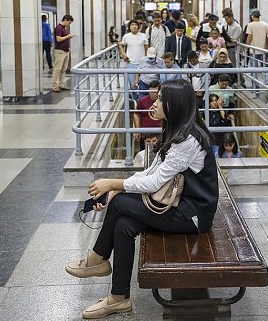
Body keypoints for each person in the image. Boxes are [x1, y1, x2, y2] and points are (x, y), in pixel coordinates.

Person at [67, 79, 218, 320]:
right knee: (124, 225)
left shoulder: (188, 140)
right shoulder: (175, 129)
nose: (154, 103)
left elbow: (154, 183)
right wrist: (120, 186)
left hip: (192, 215)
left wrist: (114, 185)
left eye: (160, 99)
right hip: (176, 205)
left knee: (118, 204)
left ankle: (97, 259)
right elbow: (151, 173)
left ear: (175, 104)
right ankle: (119, 299)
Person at [120, 20, 149, 95]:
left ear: (138, 27)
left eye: (136, 25)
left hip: (142, 64)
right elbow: (121, 45)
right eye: (132, 25)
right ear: (129, 27)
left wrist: (146, 60)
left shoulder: (143, 36)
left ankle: (140, 101)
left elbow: (147, 48)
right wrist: (123, 54)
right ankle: (135, 101)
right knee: (133, 85)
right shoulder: (126, 36)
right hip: (131, 63)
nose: (134, 26)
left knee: (141, 84)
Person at [133, 80, 163, 152]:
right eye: (151, 92)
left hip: (160, 133)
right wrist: (137, 130)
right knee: (144, 153)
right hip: (145, 135)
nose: (153, 94)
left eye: (155, 92)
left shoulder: (163, 101)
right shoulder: (143, 101)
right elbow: (136, 115)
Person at [52, 14, 75, 92]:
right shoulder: (58, 28)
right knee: (57, 69)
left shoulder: (63, 28)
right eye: (69, 23)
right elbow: (58, 39)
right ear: (65, 20)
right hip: (60, 51)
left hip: (65, 51)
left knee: (63, 69)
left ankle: (61, 84)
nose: (69, 25)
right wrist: (68, 36)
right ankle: (55, 86)